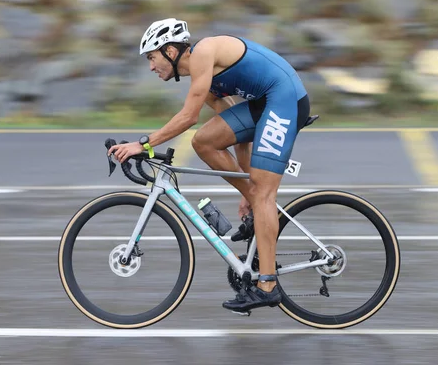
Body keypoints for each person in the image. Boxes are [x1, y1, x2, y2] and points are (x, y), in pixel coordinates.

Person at [108, 18, 310, 313]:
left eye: (152, 58)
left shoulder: (203, 53)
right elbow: (238, 135)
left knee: (264, 194)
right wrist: (246, 188)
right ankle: (256, 202)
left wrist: (144, 143)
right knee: (204, 141)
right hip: (266, 104)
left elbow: (188, 116)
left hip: (286, 99)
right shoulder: (208, 77)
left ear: (171, 51)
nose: (151, 67)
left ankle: (268, 285)